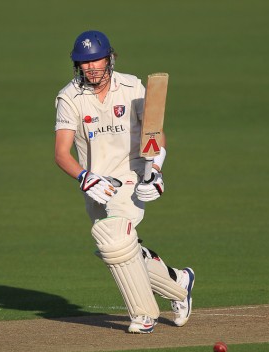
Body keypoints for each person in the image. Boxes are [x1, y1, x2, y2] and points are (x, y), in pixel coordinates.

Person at [54, 30, 195, 334]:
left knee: (114, 238)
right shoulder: (69, 97)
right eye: (84, 63)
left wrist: (156, 170)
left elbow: (155, 132)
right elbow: (61, 154)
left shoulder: (132, 87)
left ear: (110, 59)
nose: (91, 68)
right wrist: (85, 177)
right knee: (119, 248)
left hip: (131, 174)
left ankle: (144, 315)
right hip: (97, 183)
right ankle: (180, 283)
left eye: (96, 61)